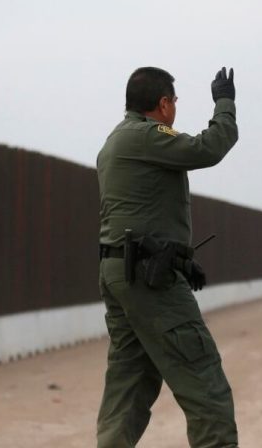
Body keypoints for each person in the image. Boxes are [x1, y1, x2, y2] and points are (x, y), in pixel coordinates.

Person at [95, 66, 238, 448]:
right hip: (147, 275)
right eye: (173, 101)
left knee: (130, 384)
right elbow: (210, 147)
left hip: (125, 268)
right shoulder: (146, 136)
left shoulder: (115, 141)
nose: (174, 108)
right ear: (163, 104)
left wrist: (177, 256)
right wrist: (225, 103)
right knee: (204, 381)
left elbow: (141, 213)